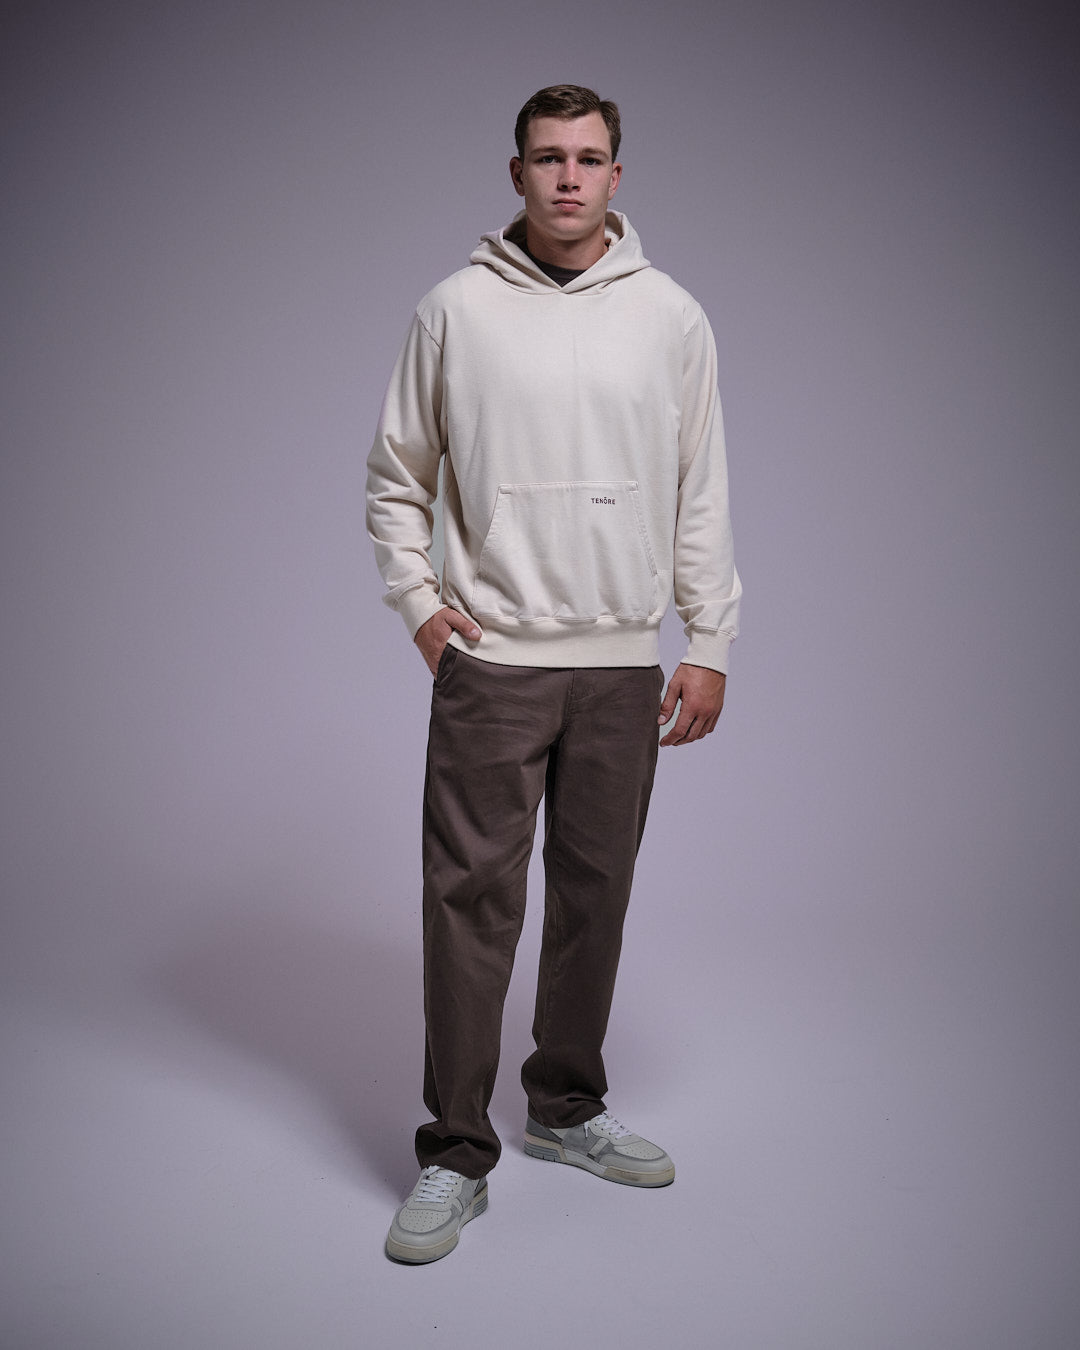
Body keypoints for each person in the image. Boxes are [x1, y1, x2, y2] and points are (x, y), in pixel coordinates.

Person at [366, 85, 741, 1263]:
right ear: (516, 174)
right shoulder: (454, 310)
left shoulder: (671, 317)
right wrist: (421, 608)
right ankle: (454, 1151)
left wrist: (709, 640)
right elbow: (395, 477)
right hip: (495, 666)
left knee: (596, 895)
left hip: (622, 664)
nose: (568, 177)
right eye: (547, 157)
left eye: (588, 158)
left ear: (617, 176)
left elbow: (700, 487)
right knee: (468, 903)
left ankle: (567, 1107)